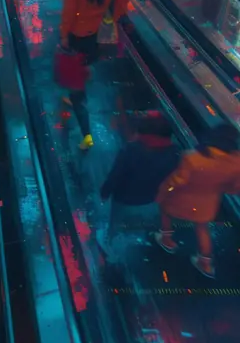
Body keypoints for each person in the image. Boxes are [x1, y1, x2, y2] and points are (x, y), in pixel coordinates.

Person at [60, 0, 128, 149]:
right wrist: (109, 19)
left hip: (78, 33)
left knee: (73, 78)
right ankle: (82, 81)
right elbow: (122, 5)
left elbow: (69, 12)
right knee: (86, 62)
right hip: (99, 32)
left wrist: (63, 36)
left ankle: (86, 133)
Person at [154, 124, 240, 278]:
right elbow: (234, 188)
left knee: (165, 212)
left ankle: (166, 239)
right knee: (202, 229)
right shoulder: (237, 162)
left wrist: (163, 191)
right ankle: (205, 262)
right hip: (207, 205)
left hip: (180, 200)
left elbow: (177, 181)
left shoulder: (192, 157)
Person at [99, 113, 180, 258]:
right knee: (144, 220)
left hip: (125, 198)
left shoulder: (130, 150)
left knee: (116, 221)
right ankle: (142, 238)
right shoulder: (174, 152)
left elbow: (116, 174)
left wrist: (105, 192)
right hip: (152, 198)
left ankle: (111, 242)